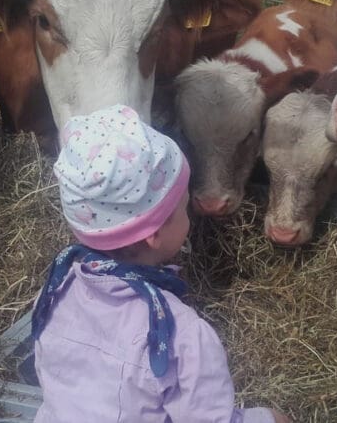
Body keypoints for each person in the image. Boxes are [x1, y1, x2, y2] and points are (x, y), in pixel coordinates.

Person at [30, 104, 292, 423]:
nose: (189, 217)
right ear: (154, 235)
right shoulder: (180, 334)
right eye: (183, 208)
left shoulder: (56, 291)